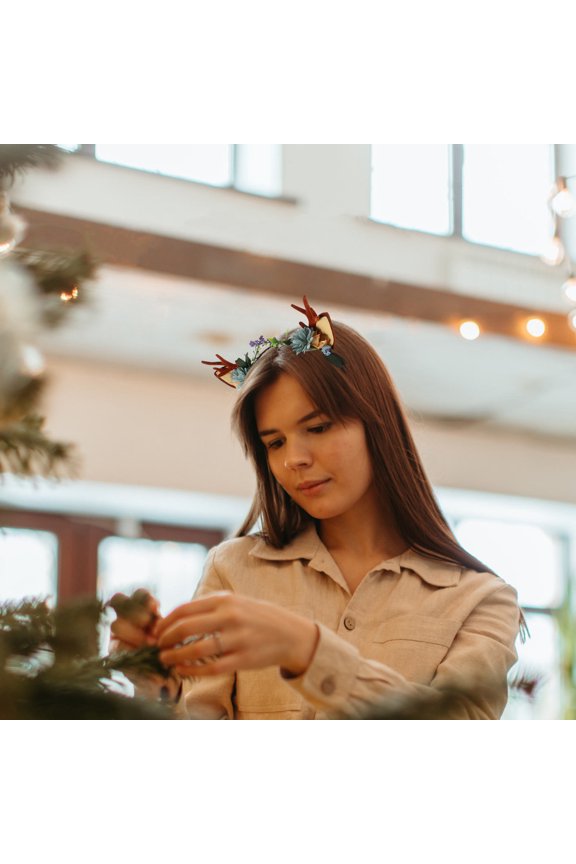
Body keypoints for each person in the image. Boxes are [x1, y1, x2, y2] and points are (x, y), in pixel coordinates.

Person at [111, 297, 523, 720]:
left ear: (375, 422)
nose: (294, 460)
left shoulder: (480, 601)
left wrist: (308, 652)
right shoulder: (233, 570)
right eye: (275, 442)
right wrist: (156, 684)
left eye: (318, 427)